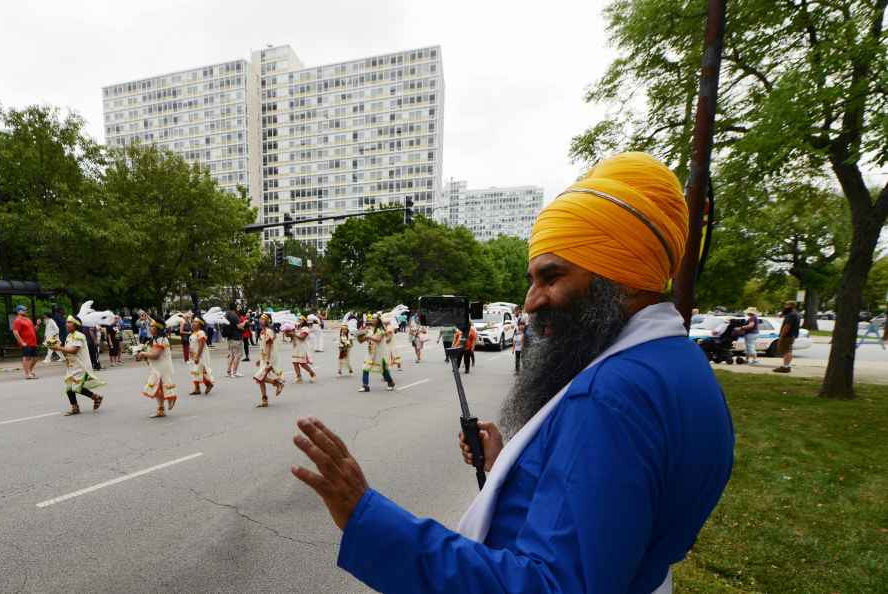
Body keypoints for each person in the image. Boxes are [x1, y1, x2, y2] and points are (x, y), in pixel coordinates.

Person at [289, 151, 734, 594]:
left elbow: (549, 584)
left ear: (621, 274)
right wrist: (511, 465)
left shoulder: (610, 395)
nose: (530, 302)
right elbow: (619, 516)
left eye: (551, 277)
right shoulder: (681, 366)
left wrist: (365, 516)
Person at [50, 315, 106, 415]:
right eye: (67, 322)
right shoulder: (69, 336)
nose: (67, 324)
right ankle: (76, 407)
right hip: (72, 367)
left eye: (69, 322)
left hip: (81, 367)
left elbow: (74, 350)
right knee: (69, 388)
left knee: (75, 387)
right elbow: (67, 351)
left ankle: (95, 397)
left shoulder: (79, 335)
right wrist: (55, 347)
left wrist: (59, 348)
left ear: (76, 324)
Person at [135, 315, 178, 418]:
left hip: (161, 367)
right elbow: (152, 354)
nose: (150, 328)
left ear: (157, 328)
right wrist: (142, 355)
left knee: (157, 387)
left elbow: (156, 355)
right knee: (157, 389)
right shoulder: (155, 340)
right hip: (156, 367)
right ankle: (161, 409)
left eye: (152, 326)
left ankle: (171, 397)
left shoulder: (162, 340)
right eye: (150, 326)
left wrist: (144, 354)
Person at [253, 313, 284, 407]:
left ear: (267, 321)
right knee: (261, 380)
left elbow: (269, 346)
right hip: (264, 357)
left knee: (259, 377)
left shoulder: (269, 331)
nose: (260, 320)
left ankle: (278, 383)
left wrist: (267, 359)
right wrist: (260, 359)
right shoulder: (262, 331)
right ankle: (264, 400)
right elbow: (263, 347)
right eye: (260, 319)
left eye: (263, 319)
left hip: (269, 358)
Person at [358, 316, 395, 392]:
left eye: (375, 319)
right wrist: (360, 336)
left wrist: (369, 337)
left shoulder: (381, 330)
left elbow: (378, 339)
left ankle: (390, 382)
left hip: (379, 353)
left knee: (383, 370)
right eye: (372, 319)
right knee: (365, 368)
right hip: (370, 353)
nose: (373, 320)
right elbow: (362, 340)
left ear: (378, 321)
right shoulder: (370, 330)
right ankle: (365, 386)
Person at [188, 317, 215, 395]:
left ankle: (208, 384)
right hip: (193, 355)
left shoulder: (201, 333)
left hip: (200, 355)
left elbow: (201, 345)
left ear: (200, 324)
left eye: (196, 322)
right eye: (193, 322)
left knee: (199, 370)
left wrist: (197, 356)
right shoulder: (193, 333)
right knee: (194, 370)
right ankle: (197, 389)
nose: (193, 323)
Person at [11, 305, 39, 379]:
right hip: (26, 342)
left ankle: (30, 371)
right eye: (24, 310)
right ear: (19, 311)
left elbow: (34, 330)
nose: (26, 311)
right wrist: (21, 342)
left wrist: (37, 325)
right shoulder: (17, 320)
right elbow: (15, 332)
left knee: (35, 358)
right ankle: (27, 374)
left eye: (26, 310)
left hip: (33, 342)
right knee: (26, 357)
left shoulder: (28, 319)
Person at [774, 301, 801, 373]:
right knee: (789, 350)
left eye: (786, 305)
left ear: (791, 305)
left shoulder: (791, 315)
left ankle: (785, 367)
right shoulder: (796, 314)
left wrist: (781, 336)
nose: (785, 306)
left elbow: (787, 326)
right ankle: (787, 366)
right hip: (792, 335)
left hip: (787, 336)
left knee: (786, 351)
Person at [288, 317, 317, 383]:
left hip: (302, 348)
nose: (299, 321)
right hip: (296, 347)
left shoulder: (306, 329)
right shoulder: (297, 328)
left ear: (304, 321)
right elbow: (293, 337)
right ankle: (299, 377)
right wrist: (288, 333)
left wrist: (294, 334)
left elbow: (302, 338)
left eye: (301, 320)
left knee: (302, 363)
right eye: (299, 320)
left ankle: (313, 374)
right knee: (295, 362)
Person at [225, 305, 246, 378]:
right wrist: (245, 322)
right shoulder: (234, 315)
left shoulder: (226, 314)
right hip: (236, 337)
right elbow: (239, 326)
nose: (239, 308)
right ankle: (234, 372)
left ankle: (228, 372)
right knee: (237, 355)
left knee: (231, 355)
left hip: (229, 337)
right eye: (238, 307)